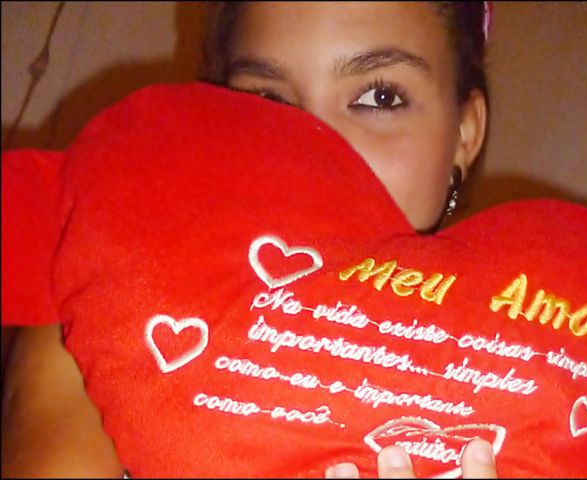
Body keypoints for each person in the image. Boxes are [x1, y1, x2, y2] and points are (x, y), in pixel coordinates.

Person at [1, 2, 497, 477]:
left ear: (464, 133)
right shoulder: (104, 316)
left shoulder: (513, 374)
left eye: (379, 98)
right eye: (266, 102)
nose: (314, 150)